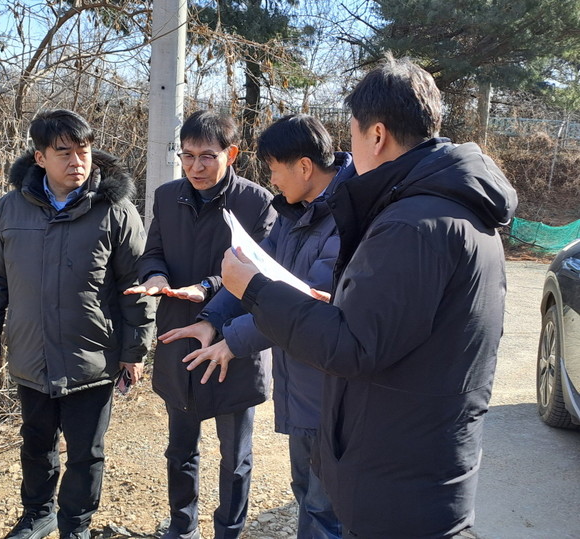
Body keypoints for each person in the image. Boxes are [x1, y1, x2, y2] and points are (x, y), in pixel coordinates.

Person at [220, 54, 518, 538]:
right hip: (421, 459)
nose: (349, 148)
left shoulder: (413, 225)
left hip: (401, 479)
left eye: (354, 133)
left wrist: (253, 290)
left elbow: (353, 346)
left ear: (376, 135)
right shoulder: (447, 211)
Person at [160, 114, 355, 538]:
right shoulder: (295, 211)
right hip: (301, 380)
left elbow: (306, 304)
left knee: (325, 507)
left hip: (332, 384)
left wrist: (232, 342)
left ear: (304, 167)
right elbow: (254, 270)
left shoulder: (345, 218)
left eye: (274, 169)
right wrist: (211, 321)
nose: (272, 180)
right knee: (308, 495)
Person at [0, 109, 155, 539]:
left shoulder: (115, 211)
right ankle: (38, 514)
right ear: (40, 158)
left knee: (86, 453)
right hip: (31, 355)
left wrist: (134, 352)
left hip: (92, 358)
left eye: (83, 151)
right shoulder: (11, 208)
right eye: (64, 152)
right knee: (36, 444)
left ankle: (76, 525)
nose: (77, 162)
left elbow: (137, 287)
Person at [124, 110, 276, 539]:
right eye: (187, 156)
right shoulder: (167, 196)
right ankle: (182, 525)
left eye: (207, 156)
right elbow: (153, 252)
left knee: (235, 457)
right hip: (179, 336)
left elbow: (260, 272)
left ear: (232, 153)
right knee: (180, 449)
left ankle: (229, 530)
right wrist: (155, 276)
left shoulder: (257, 202)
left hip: (235, 340)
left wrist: (207, 287)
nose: (195, 167)